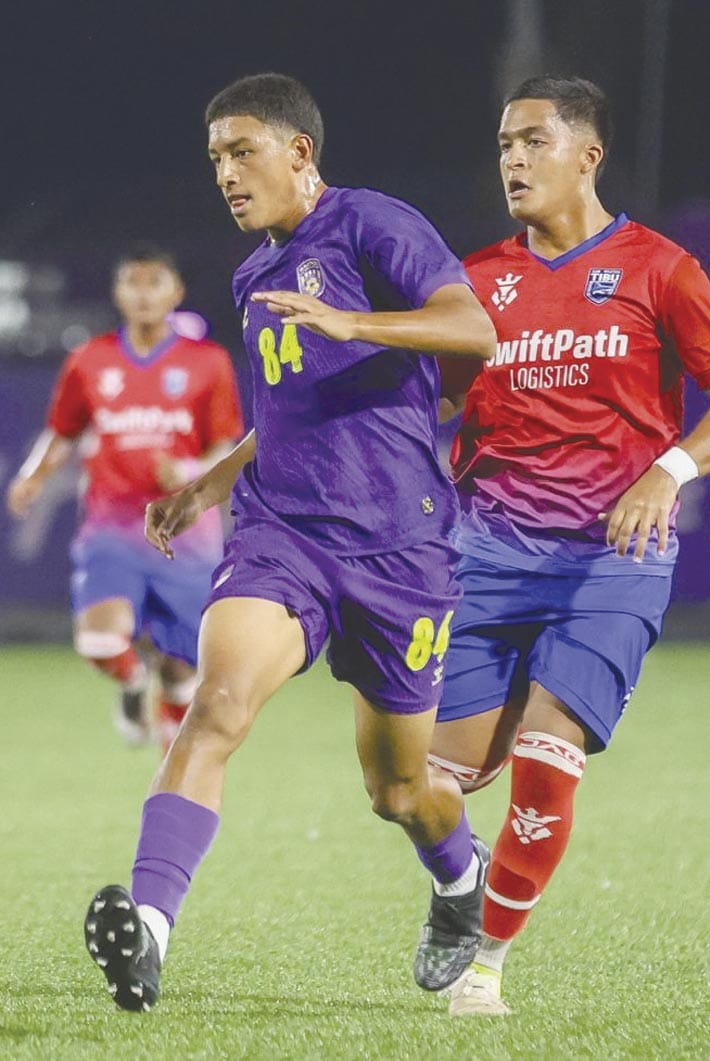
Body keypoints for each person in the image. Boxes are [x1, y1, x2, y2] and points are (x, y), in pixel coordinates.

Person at [82, 72, 497, 1012]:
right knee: (217, 704)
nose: (226, 174)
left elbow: (477, 330)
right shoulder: (252, 274)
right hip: (282, 536)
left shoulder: (369, 225)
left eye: (242, 151)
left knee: (398, 791)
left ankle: (458, 880)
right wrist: (212, 480)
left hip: (400, 549)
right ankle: (146, 932)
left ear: (299, 151)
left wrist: (355, 321)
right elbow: (290, 410)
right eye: (215, 160)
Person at [429, 76, 710, 1016]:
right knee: (424, 787)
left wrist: (669, 472)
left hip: (610, 560)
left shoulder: (660, 268)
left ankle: (486, 965)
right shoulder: (477, 279)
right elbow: (439, 403)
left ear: (589, 153)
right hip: (486, 552)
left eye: (533, 140)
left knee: (547, 755)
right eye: (503, 143)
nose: (512, 159)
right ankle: (457, 887)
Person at [7, 246, 243, 753]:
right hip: (111, 528)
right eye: (132, 283)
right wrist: (32, 476)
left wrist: (185, 471)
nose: (142, 293)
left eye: (154, 282)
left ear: (175, 292)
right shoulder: (90, 360)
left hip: (185, 535)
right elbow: (62, 432)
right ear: (118, 293)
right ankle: (135, 682)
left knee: (184, 669)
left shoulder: (209, 362)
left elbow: (225, 448)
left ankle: (172, 759)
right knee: (100, 641)